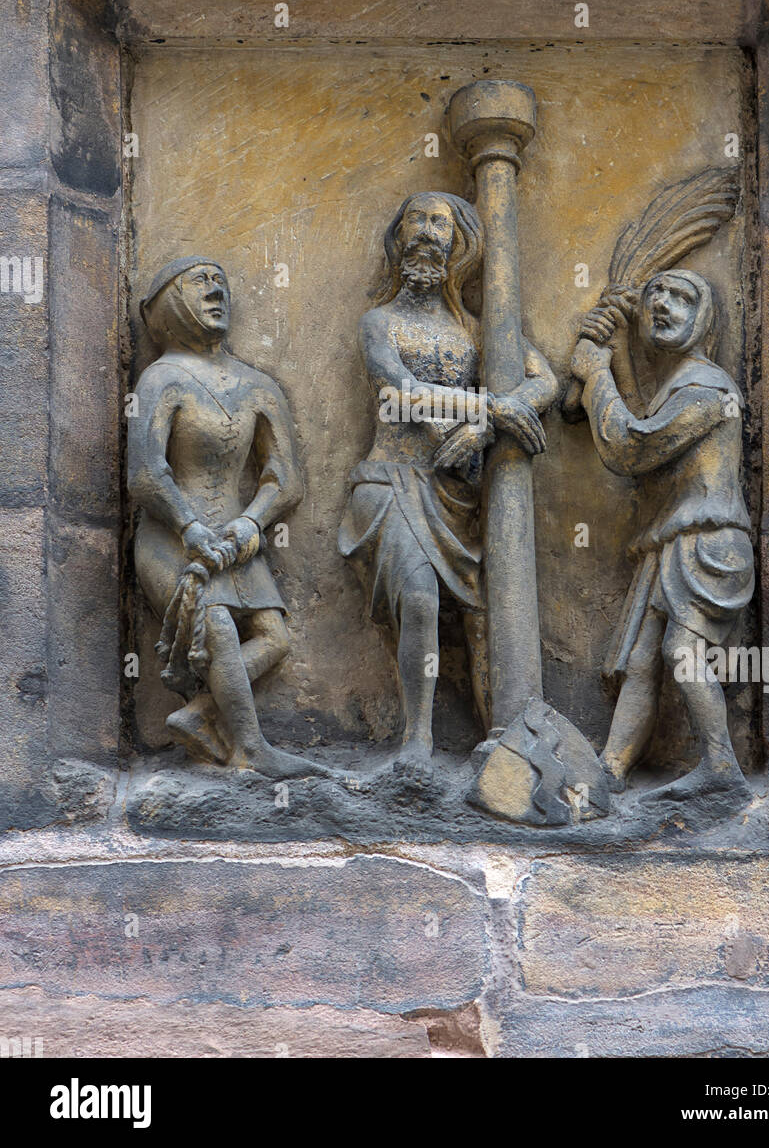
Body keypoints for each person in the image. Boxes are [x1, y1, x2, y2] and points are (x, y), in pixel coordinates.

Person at [339, 191, 558, 778]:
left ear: (459, 245)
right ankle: (416, 740)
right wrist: (491, 407)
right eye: (416, 220)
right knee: (419, 600)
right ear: (398, 236)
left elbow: (544, 382)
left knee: (484, 616)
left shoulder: (476, 331)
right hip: (392, 482)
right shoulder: (378, 322)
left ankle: (505, 745)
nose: (427, 233)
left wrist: (485, 427)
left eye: (441, 223)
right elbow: (399, 392)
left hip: (456, 494)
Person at [129, 256, 330, 781]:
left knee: (276, 639)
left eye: (221, 281)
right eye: (200, 282)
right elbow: (146, 475)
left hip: (237, 540)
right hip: (171, 539)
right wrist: (190, 529)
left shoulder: (258, 386)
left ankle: (199, 715)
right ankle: (251, 749)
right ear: (170, 302)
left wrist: (251, 524)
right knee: (216, 626)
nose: (216, 290)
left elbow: (285, 478)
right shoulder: (162, 378)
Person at [565, 268, 754, 809]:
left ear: (705, 319)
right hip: (673, 542)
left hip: (709, 543)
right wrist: (605, 361)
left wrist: (596, 373)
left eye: (681, 298)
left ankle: (722, 769)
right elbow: (633, 416)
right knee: (642, 659)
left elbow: (633, 447)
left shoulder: (708, 386)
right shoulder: (673, 385)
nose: (664, 305)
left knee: (680, 650)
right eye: (656, 296)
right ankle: (612, 770)